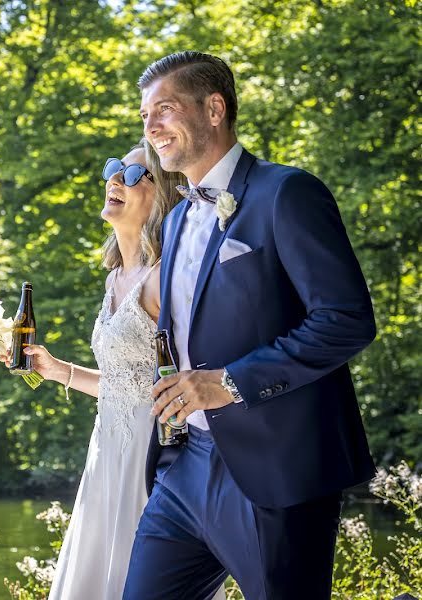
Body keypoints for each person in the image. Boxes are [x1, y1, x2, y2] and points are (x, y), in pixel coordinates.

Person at [122, 51, 377, 600]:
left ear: (214, 109)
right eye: (144, 116)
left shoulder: (286, 192)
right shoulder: (174, 220)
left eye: (163, 110)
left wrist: (229, 381)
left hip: (277, 468)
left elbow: (346, 320)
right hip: (183, 466)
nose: (150, 128)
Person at [3, 139, 224, 600]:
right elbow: (127, 383)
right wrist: (54, 368)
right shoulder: (113, 280)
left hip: (152, 456)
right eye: (112, 169)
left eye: (130, 174)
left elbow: (187, 380)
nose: (113, 180)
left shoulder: (166, 277)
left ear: (161, 194)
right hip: (107, 449)